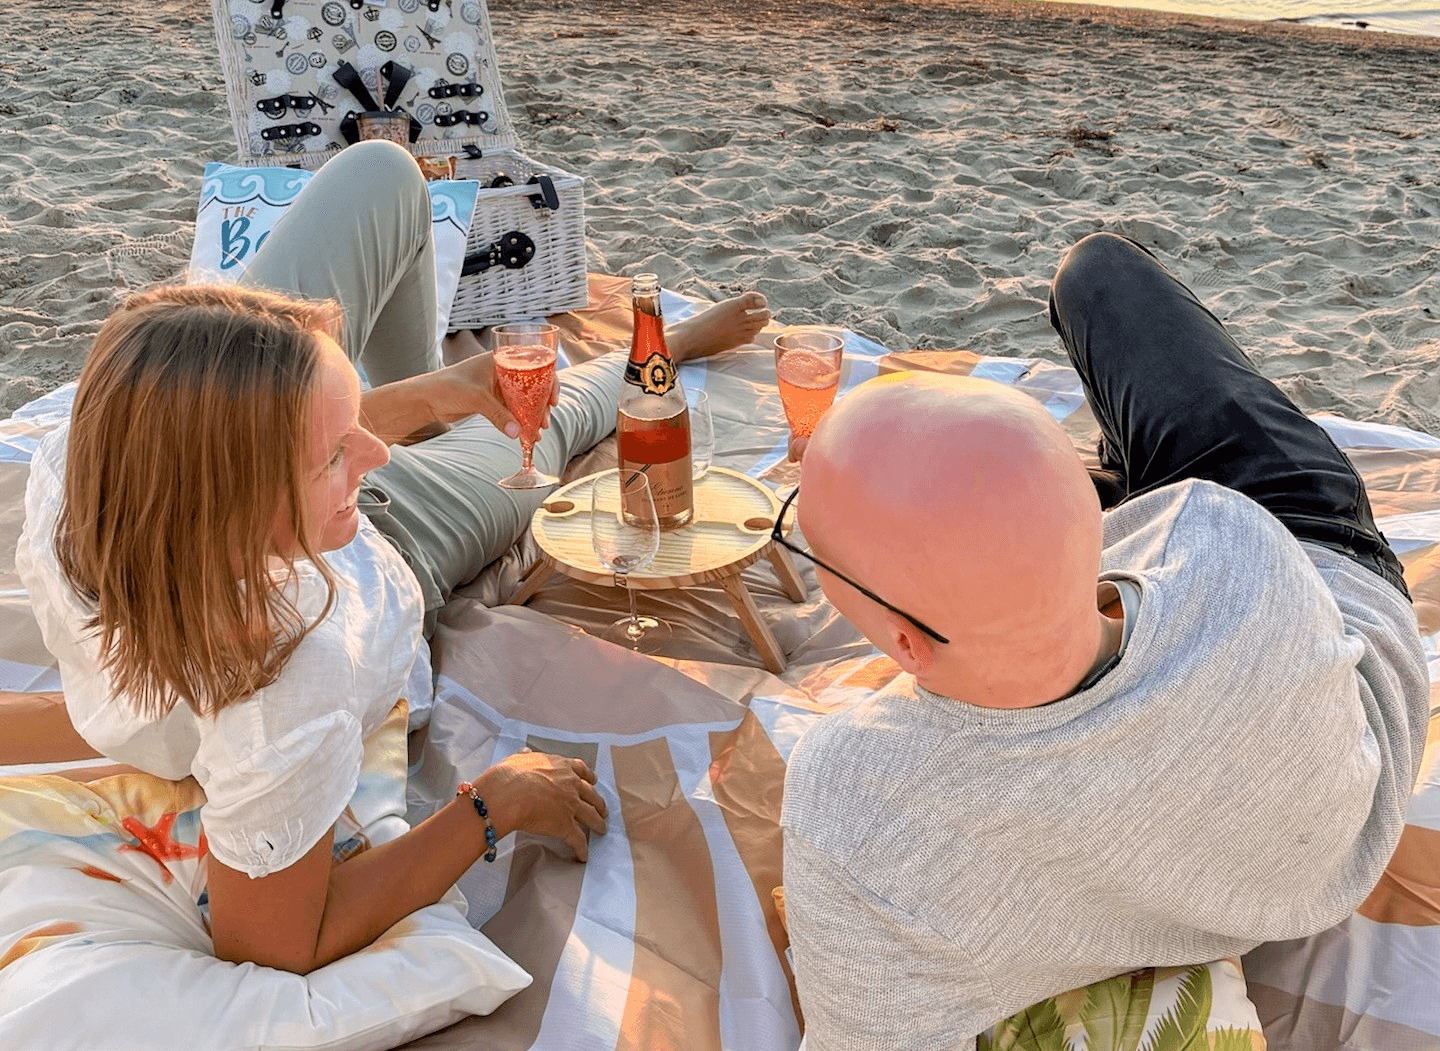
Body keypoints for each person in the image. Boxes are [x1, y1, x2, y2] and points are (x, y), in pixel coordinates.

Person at [10, 139, 769, 974]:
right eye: (337, 451)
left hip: (283, 510)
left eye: (343, 428)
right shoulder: (292, 672)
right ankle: (668, 346)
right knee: (543, 431)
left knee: (385, 173)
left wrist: (433, 395)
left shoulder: (89, 452)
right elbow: (271, 941)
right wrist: (491, 805)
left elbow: (255, 453)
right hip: (385, 537)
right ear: (241, 502)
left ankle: (391, 413)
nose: (374, 449)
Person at [777, 232, 1429, 1049]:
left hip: (1265, 592)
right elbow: (1201, 535)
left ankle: (1106, 467)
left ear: (904, 645)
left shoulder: (851, 803)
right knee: (1099, 274)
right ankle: (1099, 465)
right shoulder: (1230, 539)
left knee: (1101, 301)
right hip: (1317, 599)